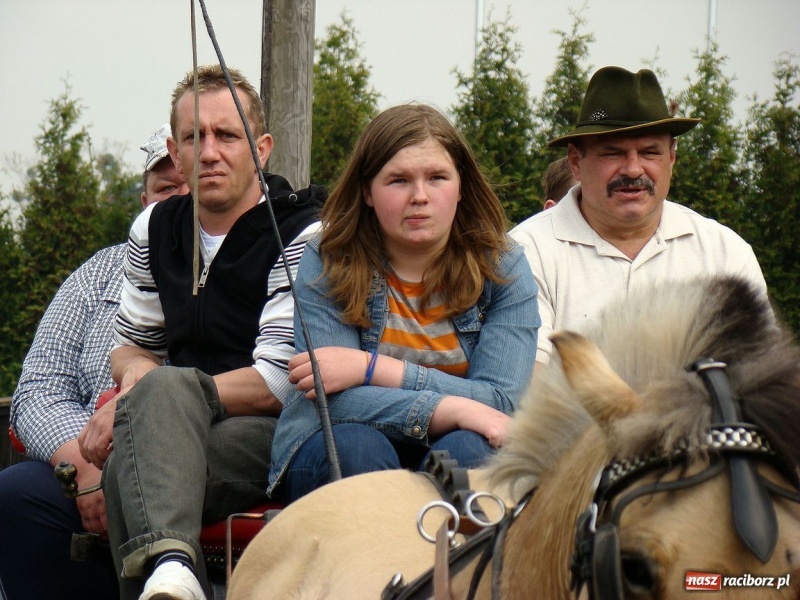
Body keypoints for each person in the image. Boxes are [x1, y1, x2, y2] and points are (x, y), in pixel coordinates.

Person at [77, 64, 325, 600]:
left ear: (261, 149)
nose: (210, 152)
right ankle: (173, 576)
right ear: (176, 150)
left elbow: (275, 383)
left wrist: (150, 395)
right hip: (175, 422)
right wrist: (140, 379)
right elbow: (131, 347)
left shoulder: (302, 231)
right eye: (194, 137)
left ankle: (169, 574)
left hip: (274, 428)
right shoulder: (155, 228)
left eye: (227, 135)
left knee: (130, 464)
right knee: (140, 445)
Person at [267, 103, 540, 503]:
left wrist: (372, 368)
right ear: (367, 191)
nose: (420, 196)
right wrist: (452, 409)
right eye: (398, 180)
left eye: (437, 178)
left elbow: (501, 404)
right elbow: (330, 399)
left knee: (471, 451)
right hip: (340, 443)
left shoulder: (504, 266)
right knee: (358, 447)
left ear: (461, 186)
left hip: (459, 441)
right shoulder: (329, 257)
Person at [0, 124, 188, 600]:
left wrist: (127, 472)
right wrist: (85, 471)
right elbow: (38, 389)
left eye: (191, 185)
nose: (181, 199)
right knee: (15, 493)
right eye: (166, 189)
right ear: (144, 202)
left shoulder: (241, 264)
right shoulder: (97, 274)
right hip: (88, 465)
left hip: (186, 466)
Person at [510, 66, 767, 367]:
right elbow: (529, 381)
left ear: (671, 156)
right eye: (612, 153)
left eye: (649, 152)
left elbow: (759, 373)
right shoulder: (526, 253)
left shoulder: (725, 253)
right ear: (576, 161)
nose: (633, 170)